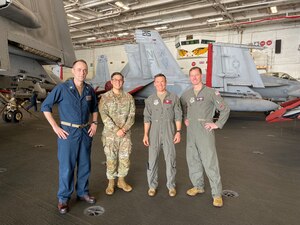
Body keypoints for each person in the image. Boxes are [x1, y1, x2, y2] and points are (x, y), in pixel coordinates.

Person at [41, 59, 98, 214]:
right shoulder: (62, 88)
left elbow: (94, 108)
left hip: (85, 132)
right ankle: (63, 198)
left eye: (85, 70)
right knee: (67, 167)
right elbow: (45, 106)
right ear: (73, 71)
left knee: (85, 165)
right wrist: (55, 127)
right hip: (68, 133)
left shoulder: (89, 90)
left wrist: (94, 123)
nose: (82, 72)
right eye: (79, 69)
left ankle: (82, 193)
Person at [180, 67, 230, 207]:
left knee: (210, 162)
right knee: (193, 160)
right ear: (189, 77)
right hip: (191, 132)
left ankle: (217, 194)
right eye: (191, 75)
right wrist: (185, 117)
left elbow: (225, 108)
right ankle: (198, 186)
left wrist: (217, 124)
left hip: (204, 131)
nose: (194, 78)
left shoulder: (211, 92)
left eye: (196, 75)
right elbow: (181, 106)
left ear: (201, 76)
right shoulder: (186, 94)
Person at [143, 74, 182, 197]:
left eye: (162, 82)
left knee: (170, 159)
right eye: (157, 82)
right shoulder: (150, 99)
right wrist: (145, 134)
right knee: (152, 160)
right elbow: (147, 118)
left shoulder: (174, 98)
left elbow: (178, 116)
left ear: (166, 82)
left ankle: (171, 186)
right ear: (154, 83)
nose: (160, 84)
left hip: (169, 132)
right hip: (154, 133)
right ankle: (152, 186)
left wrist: (178, 131)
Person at [99, 72, 135, 195]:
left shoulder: (129, 97)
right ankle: (111, 183)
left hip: (125, 135)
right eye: (115, 80)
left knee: (125, 159)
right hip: (110, 136)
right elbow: (104, 116)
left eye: (120, 80)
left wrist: (123, 130)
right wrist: (116, 130)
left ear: (123, 81)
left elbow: (132, 116)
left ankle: (121, 181)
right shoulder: (105, 97)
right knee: (111, 159)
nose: (118, 82)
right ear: (111, 81)